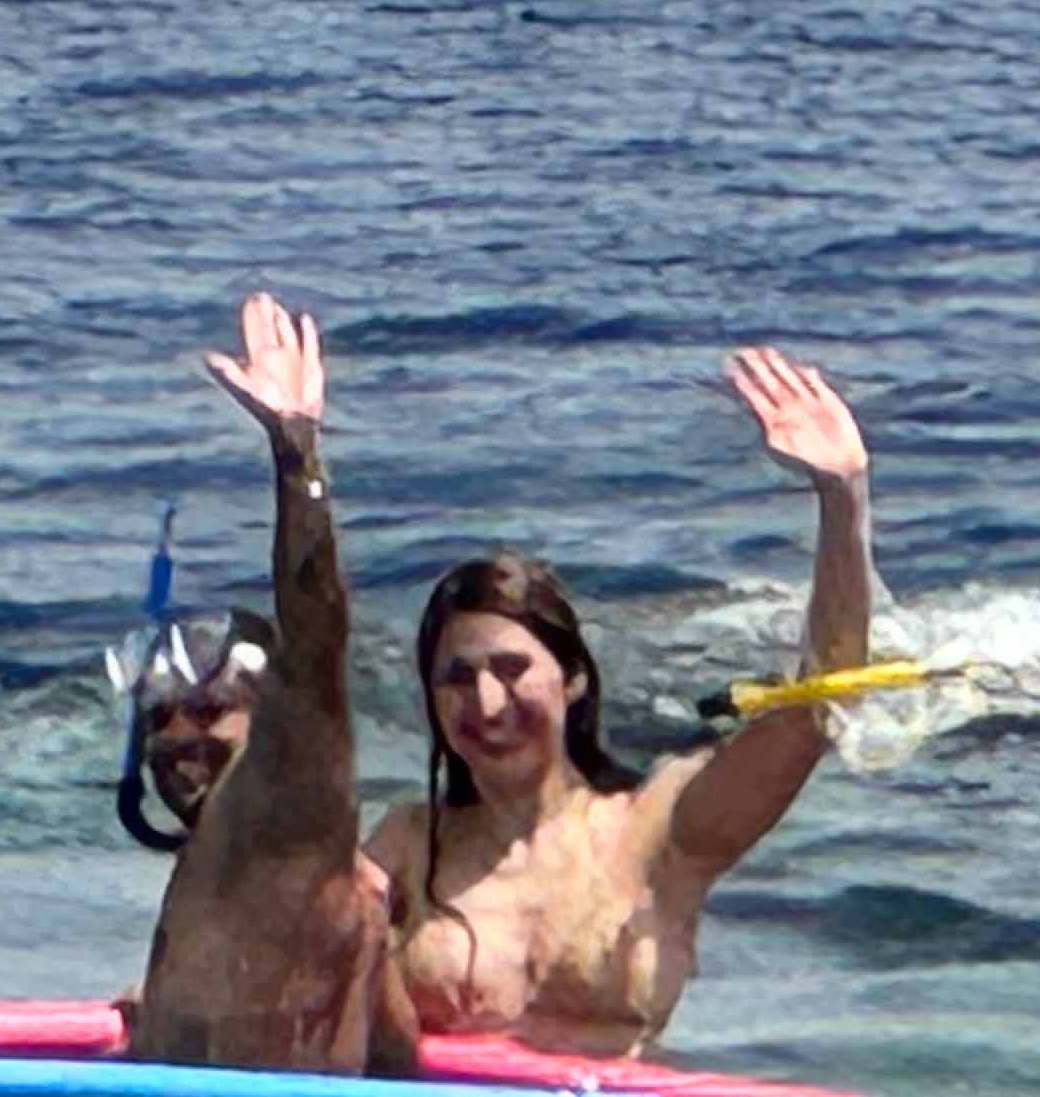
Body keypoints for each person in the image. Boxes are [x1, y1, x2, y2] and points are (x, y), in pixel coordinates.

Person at [371, 346, 872, 1060]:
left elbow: (821, 706)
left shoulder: (658, 828)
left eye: (513, 670)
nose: (485, 701)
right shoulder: (402, 846)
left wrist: (842, 500)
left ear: (573, 678)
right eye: (456, 677)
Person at [117, 292, 419, 1077]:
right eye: (162, 720)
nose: (182, 738)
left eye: (212, 711)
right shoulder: (219, 855)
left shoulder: (289, 815)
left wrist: (296, 455)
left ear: (271, 726)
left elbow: (316, 640)